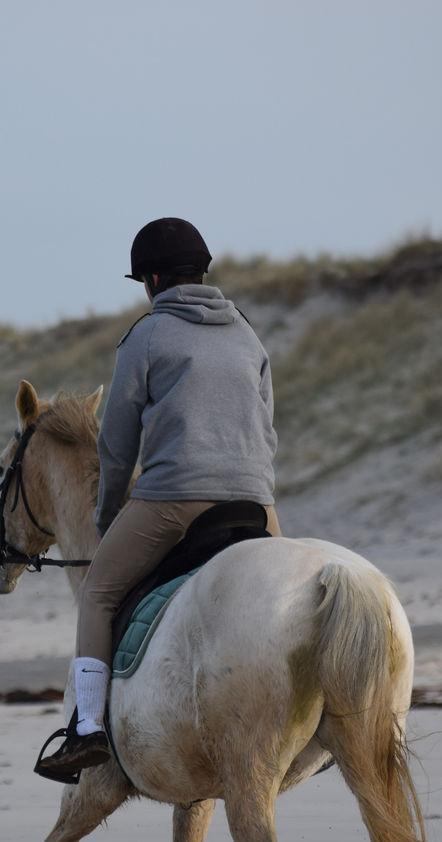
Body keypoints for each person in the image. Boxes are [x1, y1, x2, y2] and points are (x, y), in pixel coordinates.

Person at [37, 218, 281, 779]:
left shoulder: (146, 336)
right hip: (255, 501)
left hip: (174, 500)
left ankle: (88, 729)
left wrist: (104, 518)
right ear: (201, 271)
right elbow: (266, 429)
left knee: (97, 592)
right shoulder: (247, 333)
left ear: (150, 279)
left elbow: (117, 446)